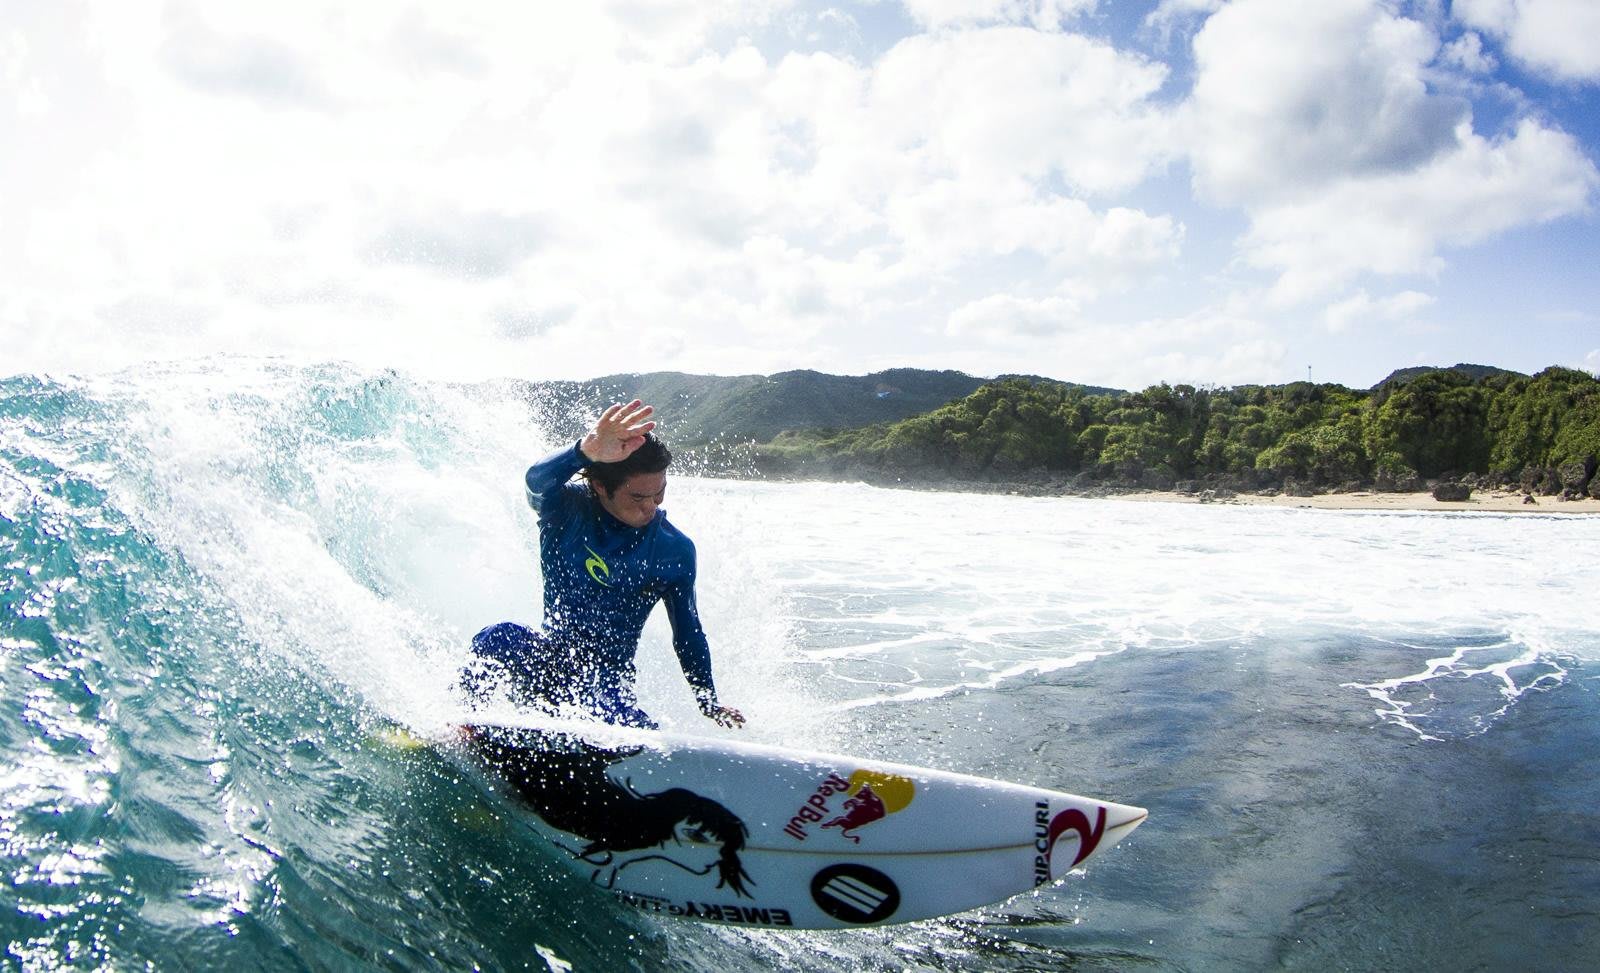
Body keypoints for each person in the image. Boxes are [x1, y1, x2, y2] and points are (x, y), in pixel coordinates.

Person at [463, 400, 745, 730]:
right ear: (599, 486)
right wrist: (585, 450)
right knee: (498, 638)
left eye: (659, 493)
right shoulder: (566, 510)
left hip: (607, 684)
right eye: (638, 498)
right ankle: (463, 727)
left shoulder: (673, 550)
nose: (651, 507)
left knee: (633, 729)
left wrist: (708, 701)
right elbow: (535, 481)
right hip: (549, 661)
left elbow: (688, 634)